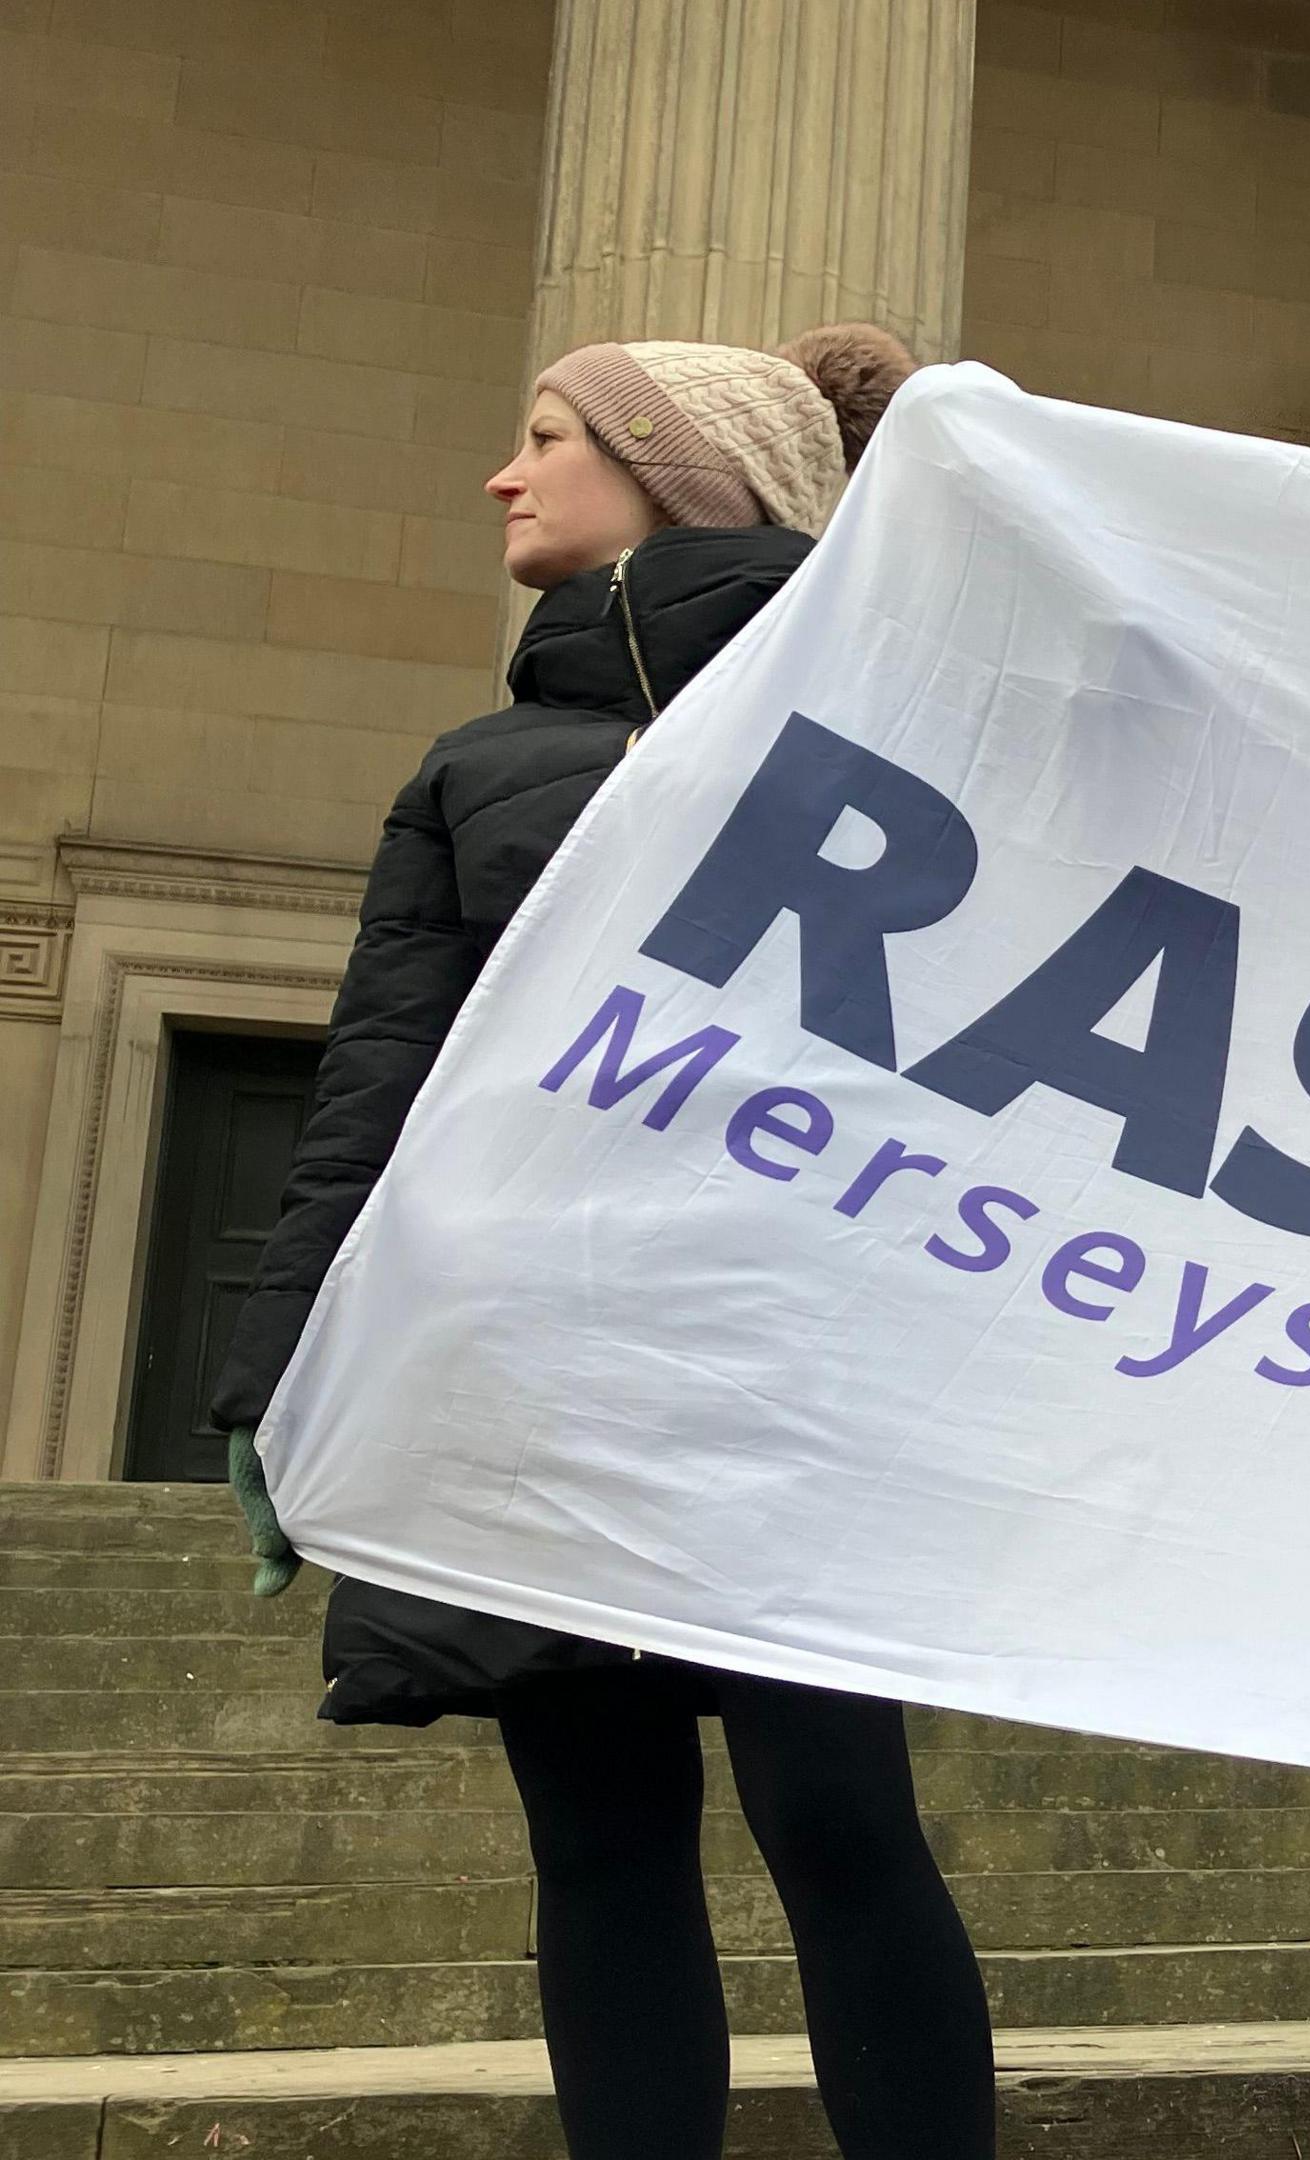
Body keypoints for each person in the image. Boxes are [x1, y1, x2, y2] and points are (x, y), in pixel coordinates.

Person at [213, 326, 1001, 2160]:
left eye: (550, 437)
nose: (504, 473)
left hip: (794, 1360)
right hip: (536, 1374)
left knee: (840, 1823)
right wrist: (273, 1376)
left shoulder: (892, 717)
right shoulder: (474, 765)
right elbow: (376, 1097)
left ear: (680, 481)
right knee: (598, 1846)